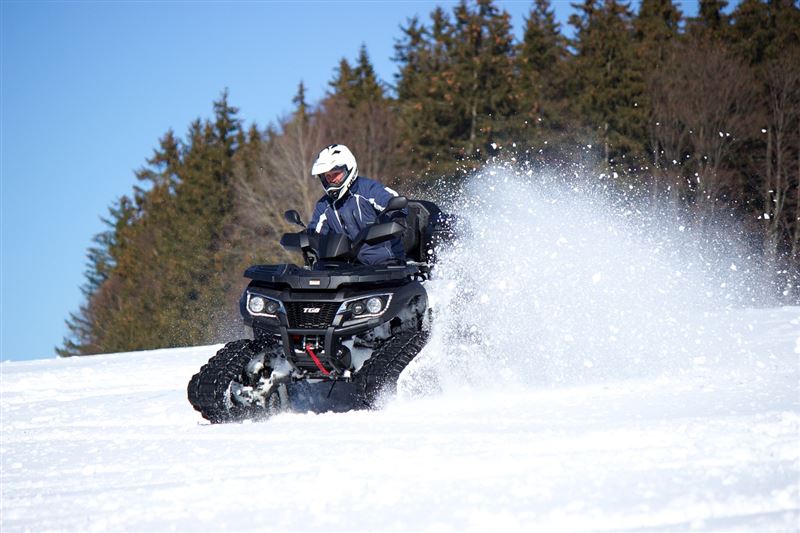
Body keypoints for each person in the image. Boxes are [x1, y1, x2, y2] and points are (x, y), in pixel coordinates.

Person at [308, 144, 406, 265]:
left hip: (386, 263)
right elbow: (316, 233)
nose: (332, 180)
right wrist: (307, 239)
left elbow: (391, 200)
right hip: (348, 268)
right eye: (327, 176)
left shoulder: (368, 189)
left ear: (349, 169)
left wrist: (398, 215)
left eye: (335, 174)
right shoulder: (324, 205)